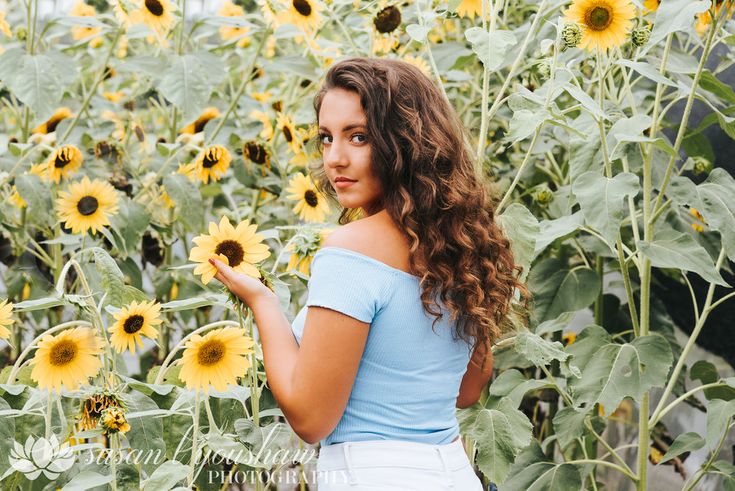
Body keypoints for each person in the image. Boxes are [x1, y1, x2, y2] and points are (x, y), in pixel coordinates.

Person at [209, 57, 530, 490]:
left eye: (358, 137)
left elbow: (310, 418)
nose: (334, 159)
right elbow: (466, 390)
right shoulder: (464, 247)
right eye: (326, 138)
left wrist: (264, 304)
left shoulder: (350, 251)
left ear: (406, 143)